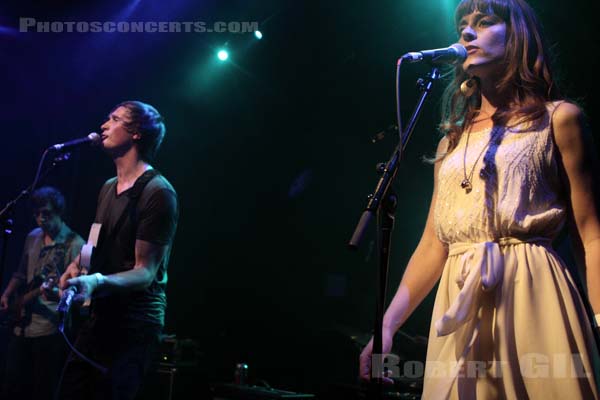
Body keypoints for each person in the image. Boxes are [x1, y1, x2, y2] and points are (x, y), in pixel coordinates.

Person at [359, 0, 600, 398]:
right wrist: (386, 326)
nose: (468, 32)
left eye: (485, 22)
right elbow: (434, 245)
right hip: (459, 298)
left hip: (533, 291)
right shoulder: (450, 141)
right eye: (463, 25)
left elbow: (591, 234)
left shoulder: (560, 118)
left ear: (518, 34)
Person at [56, 100, 179, 400]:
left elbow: (145, 272)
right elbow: (95, 240)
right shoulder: (108, 187)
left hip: (135, 323)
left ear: (136, 132)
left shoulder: (158, 192)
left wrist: (96, 281)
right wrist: (77, 265)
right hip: (103, 314)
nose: (104, 125)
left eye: (114, 119)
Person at [0, 186, 85, 400]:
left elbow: (79, 294)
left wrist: (56, 292)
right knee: (12, 387)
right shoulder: (33, 237)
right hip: (22, 326)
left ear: (59, 212)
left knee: (43, 390)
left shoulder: (76, 244)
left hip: (50, 330)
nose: (40, 219)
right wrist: (7, 294)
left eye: (46, 214)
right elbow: (20, 273)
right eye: (37, 214)